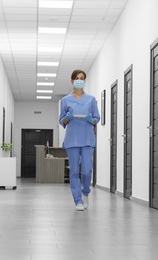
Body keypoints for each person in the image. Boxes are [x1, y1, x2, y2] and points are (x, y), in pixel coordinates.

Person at [59, 69, 100, 211]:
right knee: (74, 171)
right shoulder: (65, 100)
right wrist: (67, 117)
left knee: (87, 171)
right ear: (72, 81)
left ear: (84, 81)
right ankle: (78, 200)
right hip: (72, 139)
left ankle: (85, 192)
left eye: (82, 78)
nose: (79, 80)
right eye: (77, 78)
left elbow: (96, 118)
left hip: (88, 139)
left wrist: (91, 120)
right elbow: (62, 120)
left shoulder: (91, 99)